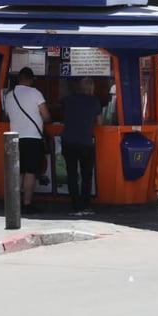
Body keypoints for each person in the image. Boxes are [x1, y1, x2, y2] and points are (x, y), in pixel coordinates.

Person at [4, 67, 50, 215]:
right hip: (33, 138)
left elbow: (7, 115)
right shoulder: (35, 93)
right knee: (30, 172)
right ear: (31, 79)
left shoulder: (9, 96)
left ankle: (14, 203)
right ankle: (27, 203)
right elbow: (46, 116)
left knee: (19, 172)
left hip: (14, 139)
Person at [60, 77, 101, 215]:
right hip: (85, 142)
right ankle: (85, 205)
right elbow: (100, 122)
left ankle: (75, 206)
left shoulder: (69, 100)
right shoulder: (94, 101)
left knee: (72, 174)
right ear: (90, 87)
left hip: (68, 141)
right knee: (86, 175)